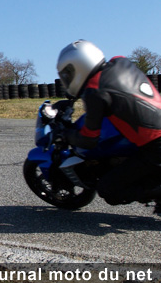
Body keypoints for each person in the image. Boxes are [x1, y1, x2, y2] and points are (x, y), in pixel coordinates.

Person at [57, 39, 161, 209]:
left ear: (79, 66)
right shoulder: (119, 61)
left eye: (68, 73)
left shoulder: (96, 92)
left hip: (156, 146)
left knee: (108, 190)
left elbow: (89, 139)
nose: (67, 78)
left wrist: (67, 135)